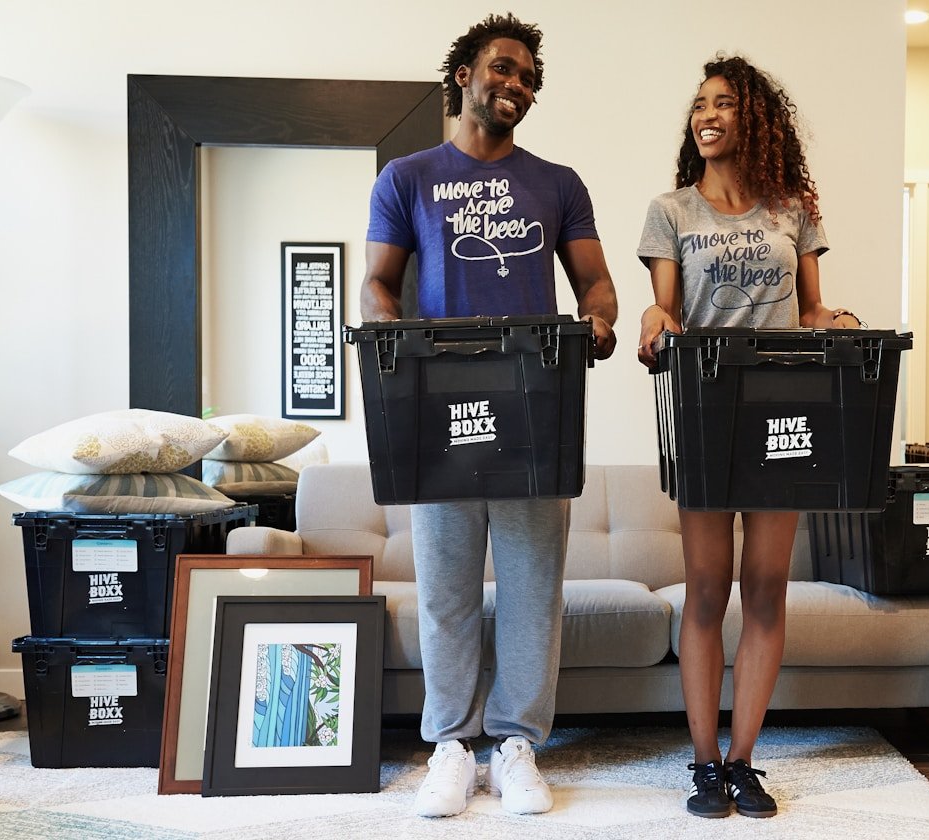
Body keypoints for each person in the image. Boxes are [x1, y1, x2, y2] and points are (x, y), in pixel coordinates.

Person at [360, 13, 617, 819]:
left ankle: (515, 746)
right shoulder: (407, 178)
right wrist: (390, 341)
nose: (517, 84)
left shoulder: (558, 184)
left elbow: (596, 286)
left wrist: (600, 321)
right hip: (438, 416)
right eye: (503, 67)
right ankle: (450, 746)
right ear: (464, 75)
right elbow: (378, 284)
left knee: (534, 590)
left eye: (529, 77)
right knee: (446, 590)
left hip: (535, 414)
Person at [636, 55, 861, 819]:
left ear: (754, 118)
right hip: (706, 408)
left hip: (783, 411)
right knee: (707, 589)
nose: (706, 114)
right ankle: (704, 763)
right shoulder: (671, 211)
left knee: (766, 590)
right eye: (700, 103)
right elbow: (667, 310)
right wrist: (652, 319)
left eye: (724, 102)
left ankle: (742, 761)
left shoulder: (792, 209)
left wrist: (838, 321)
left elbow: (811, 308)